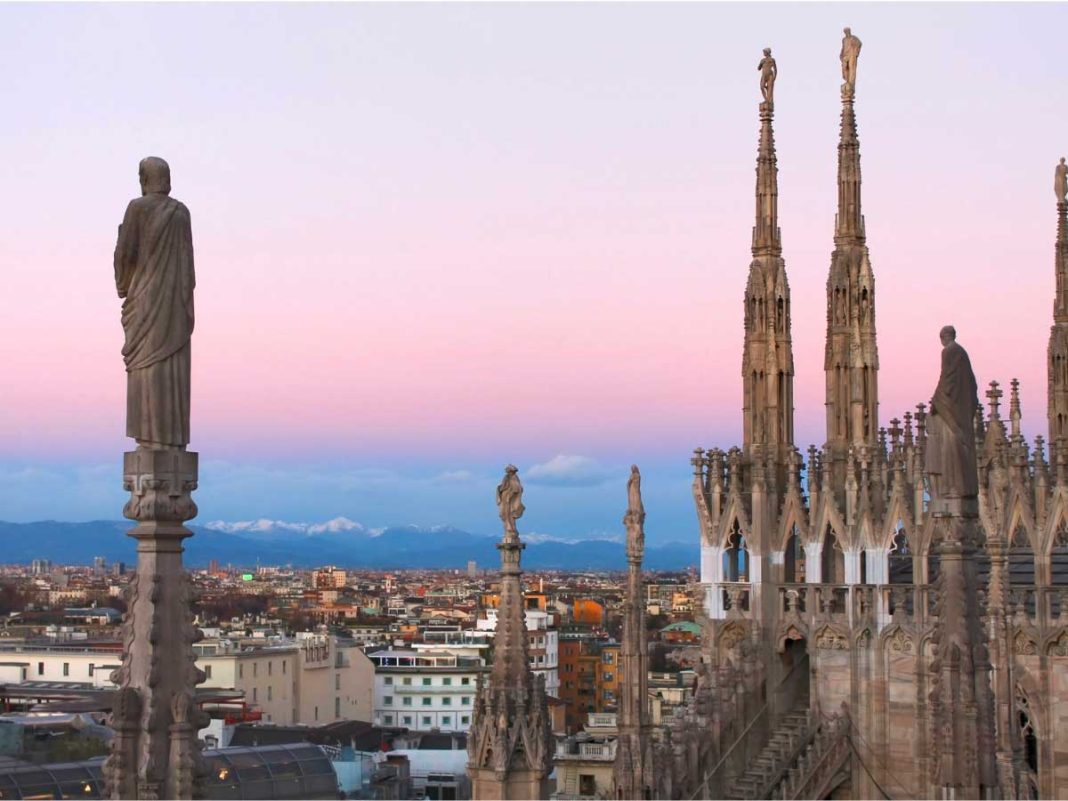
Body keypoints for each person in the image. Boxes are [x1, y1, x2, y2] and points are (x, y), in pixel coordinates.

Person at [114, 157, 196, 449]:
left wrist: (124, 284)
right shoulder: (180, 212)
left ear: (144, 179)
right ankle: (172, 440)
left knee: (147, 369)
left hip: (147, 300)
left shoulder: (138, 208)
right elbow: (188, 268)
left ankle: (149, 440)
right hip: (174, 302)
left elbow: (126, 255)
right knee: (170, 366)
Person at [925, 326, 980, 500]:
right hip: (962, 409)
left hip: (952, 410)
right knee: (960, 448)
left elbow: (946, 378)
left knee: (951, 449)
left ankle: (953, 486)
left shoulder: (949, 351)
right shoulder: (962, 353)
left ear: (944, 338)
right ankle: (963, 486)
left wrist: (936, 400)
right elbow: (971, 383)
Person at [840, 27, 862, 94]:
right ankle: (847, 81)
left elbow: (859, 43)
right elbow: (843, 47)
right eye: (845, 31)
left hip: (852, 54)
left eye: (847, 31)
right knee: (844, 68)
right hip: (845, 55)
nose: (846, 32)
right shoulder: (843, 39)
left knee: (851, 68)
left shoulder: (853, 38)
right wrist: (841, 53)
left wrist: (856, 51)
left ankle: (851, 83)